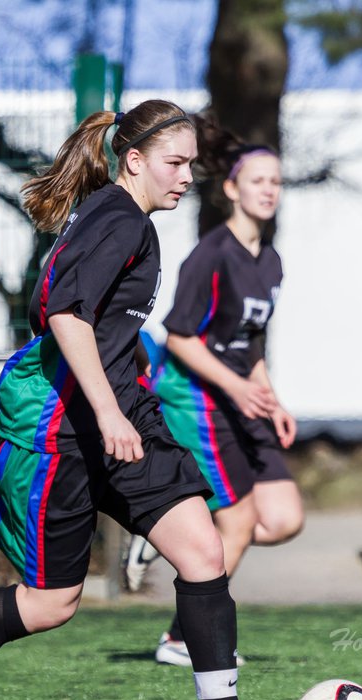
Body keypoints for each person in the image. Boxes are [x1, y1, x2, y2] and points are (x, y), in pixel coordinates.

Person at [0, 99, 302, 700]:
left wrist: (127, 404)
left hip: (122, 423)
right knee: (49, 604)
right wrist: (109, 411)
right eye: (174, 164)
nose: (184, 177)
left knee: (205, 553)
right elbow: (63, 315)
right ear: (134, 160)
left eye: (189, 165)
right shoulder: (118, 221)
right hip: (65, 432)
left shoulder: (128, 221)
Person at [125, 116, 305, 667]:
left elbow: (248, 343)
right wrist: (236, 386)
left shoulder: (270, 262)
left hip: (241, 398)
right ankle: (183, 638)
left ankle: (166, 532)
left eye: (276, 182)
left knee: (282, 518)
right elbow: (180, 338)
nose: (268, 190)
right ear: (231, 189)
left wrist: (270, 398)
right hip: (197, 397)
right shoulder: (212, 253)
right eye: (258, 181)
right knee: (240, 522)